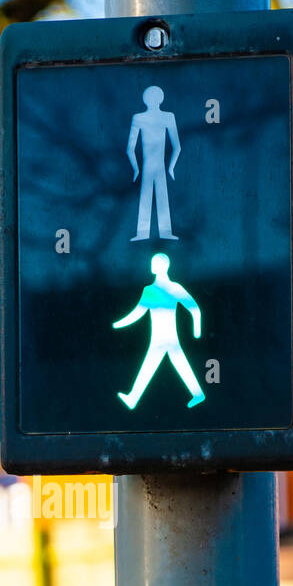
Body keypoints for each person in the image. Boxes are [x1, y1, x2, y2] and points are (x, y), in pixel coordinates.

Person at [113, 253, 205, 410]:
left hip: (164, 339)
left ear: (162, 266)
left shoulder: (172, 288)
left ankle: (133, 398)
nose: (152, 265)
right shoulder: (151, 290)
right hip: (160, 339)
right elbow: (138, 313)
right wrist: (119, 324)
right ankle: (197, 394)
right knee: (173, 365)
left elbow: (195, 309)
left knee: (159, 366)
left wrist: (197, 329)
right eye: (152, 262)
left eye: (155, 263)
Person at [127, 85, 180, 241]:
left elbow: (129, 149)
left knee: (147, 197)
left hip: (149, 166)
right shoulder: (167, 117)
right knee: (160, 197)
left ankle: (144, 233)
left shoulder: (139, 118)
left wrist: (136, 168)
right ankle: (163, 232)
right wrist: (171, 167)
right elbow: (177, 146)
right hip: (159, 167)